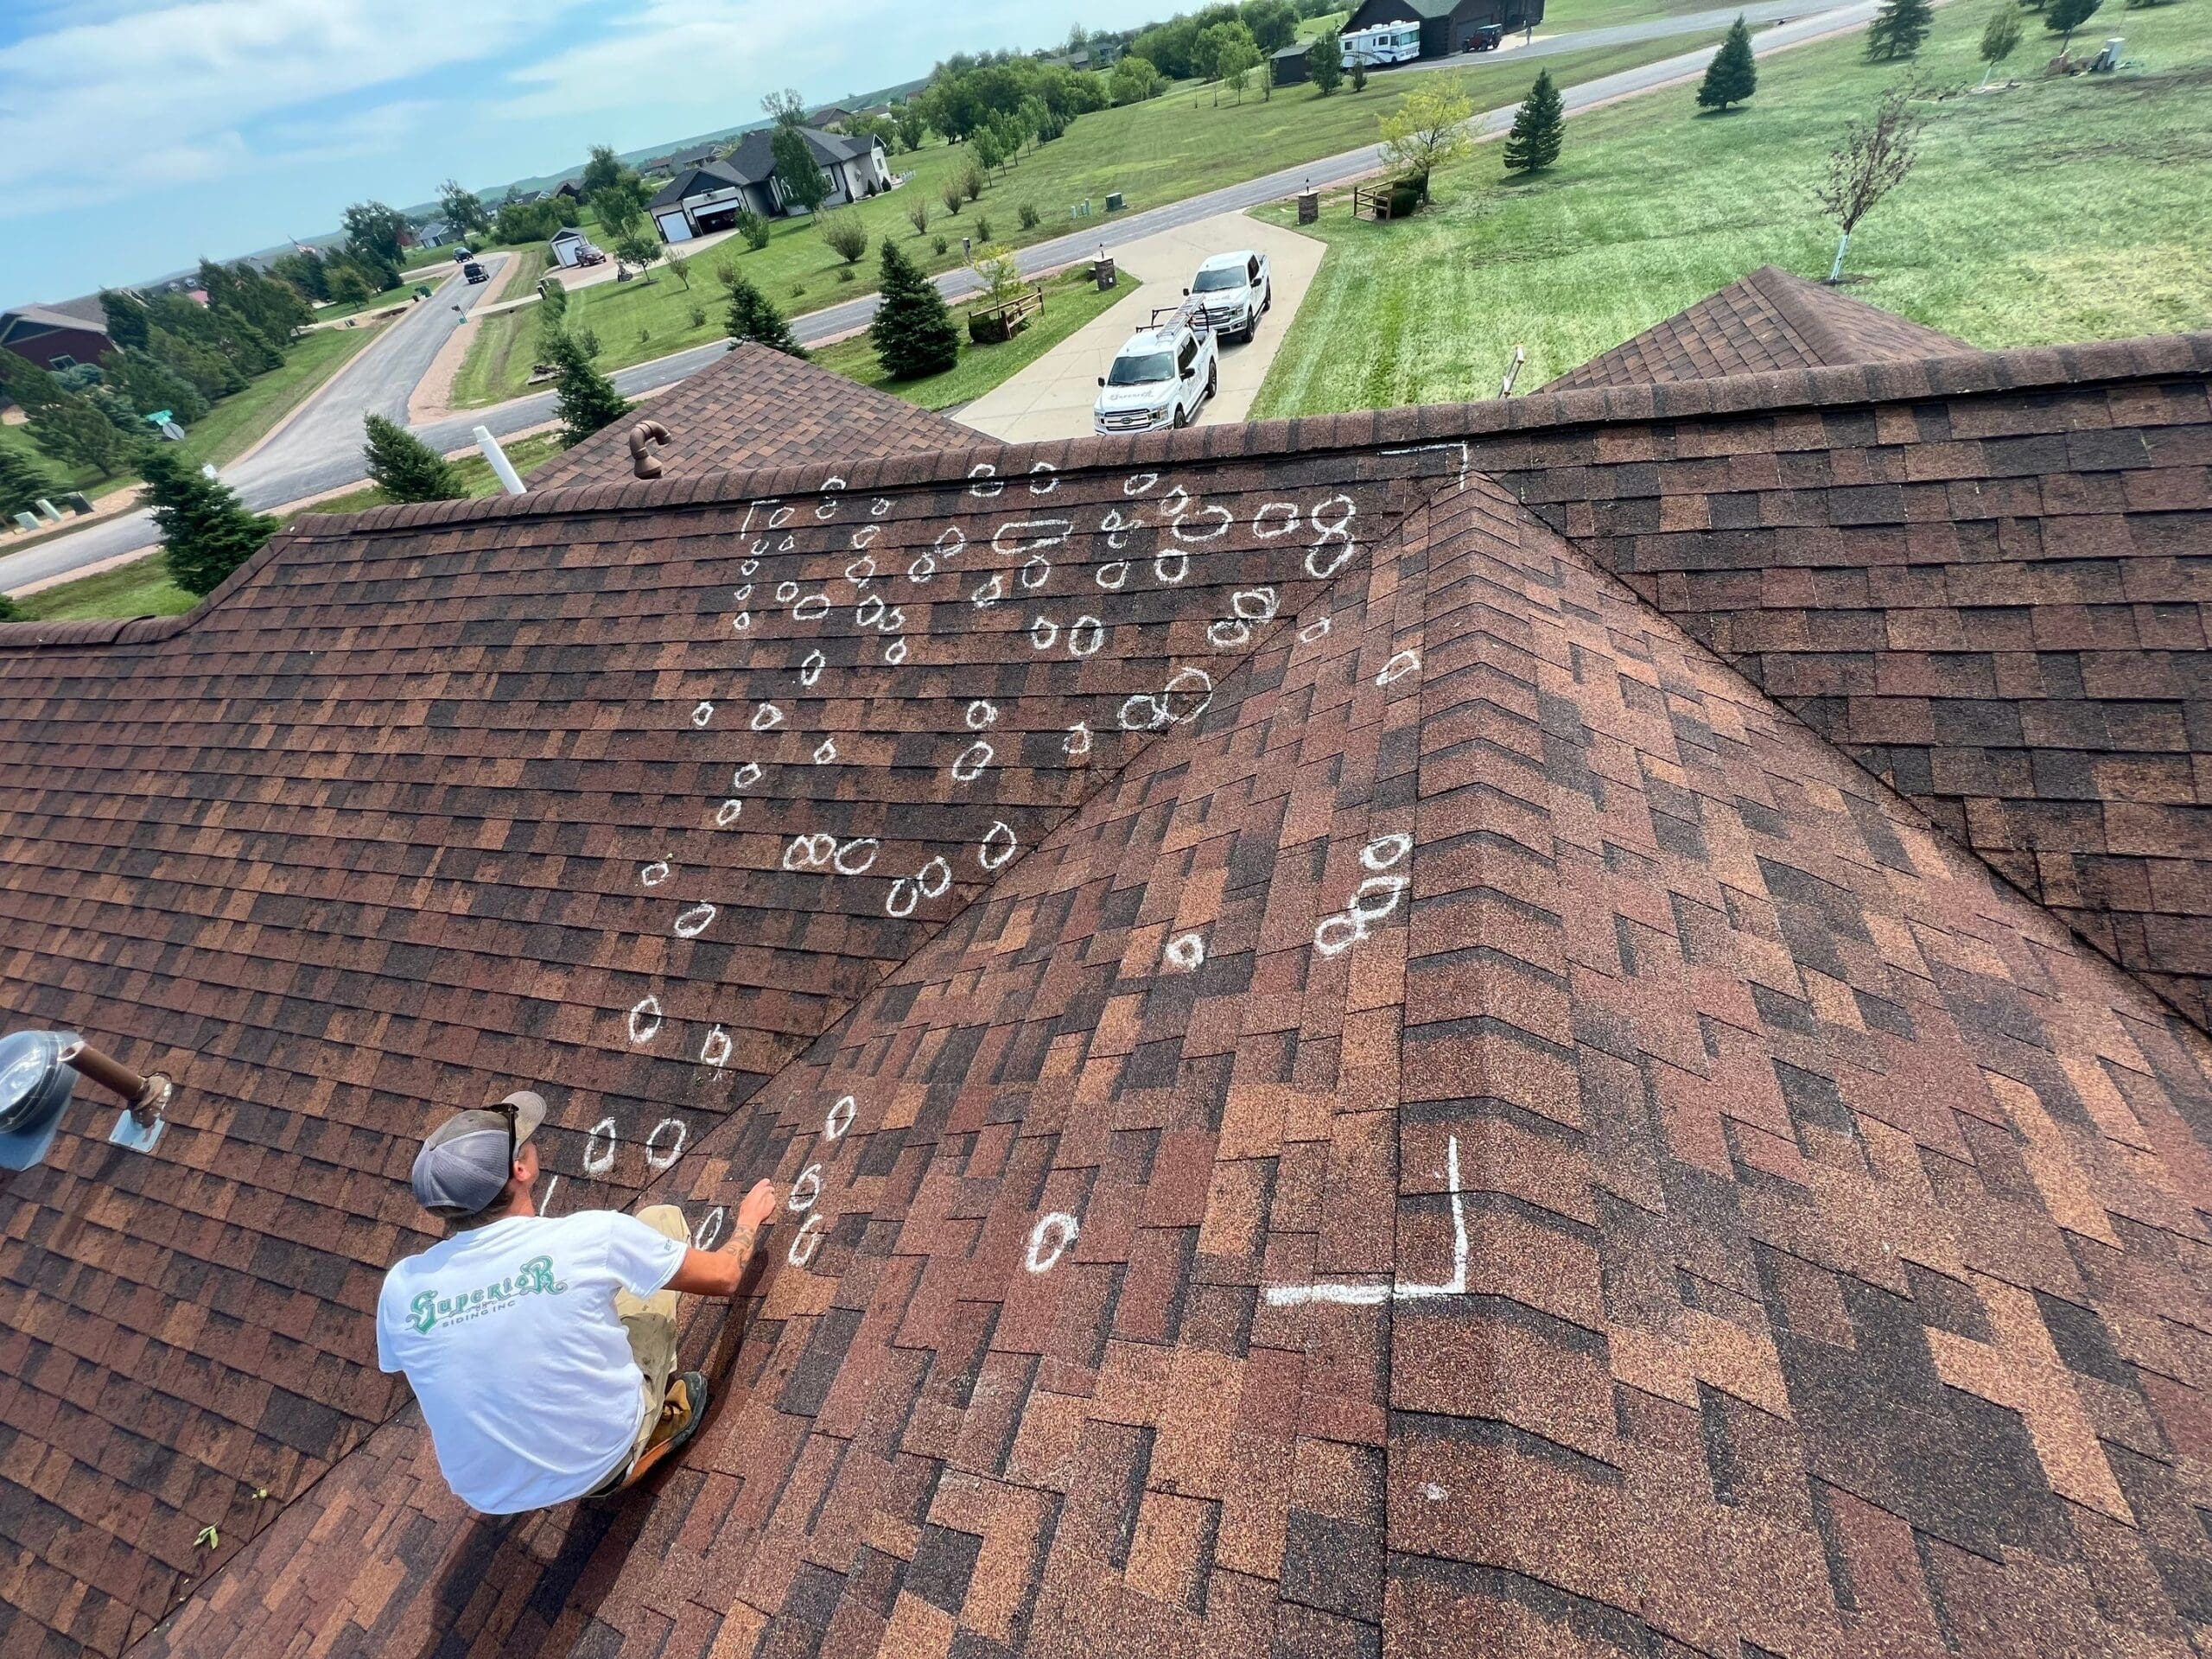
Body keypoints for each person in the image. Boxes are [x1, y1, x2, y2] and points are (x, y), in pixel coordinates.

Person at [377, 1090, 779, 1513]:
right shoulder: (588, 1238)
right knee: (661, 1221)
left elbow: (424, 1370)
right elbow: (725, 1276)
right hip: (600, 1459)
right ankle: (646, 1435)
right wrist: (748, 1222)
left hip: (492, 1495)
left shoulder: (402, 1287)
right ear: (521, 1168)